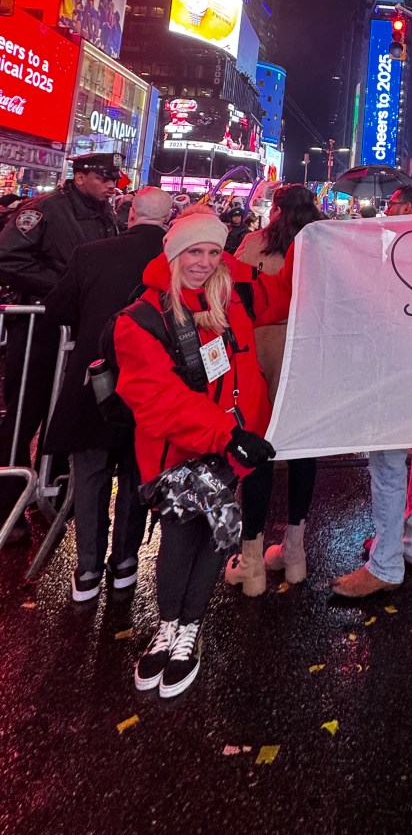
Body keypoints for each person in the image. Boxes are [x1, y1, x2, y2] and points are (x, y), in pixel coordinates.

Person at [114, 209, 292, 697]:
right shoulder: (142, 318)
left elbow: (286, 292)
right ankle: (169, 626)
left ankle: (187, 628)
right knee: (180, 536)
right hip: (181, 453)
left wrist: (310, 236)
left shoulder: (232, 298)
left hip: (231, 447)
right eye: (195, 251)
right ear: (173, 253)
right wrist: (227, 435)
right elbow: (156, 400)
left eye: (214, 252)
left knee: (217, 533)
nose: (205, 261)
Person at [42, 188, 173, 601]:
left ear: (130, 212)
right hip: (151, 385)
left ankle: (86, 572)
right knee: (139, 471)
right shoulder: (176, 260)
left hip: (93, 382)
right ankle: (126, 564)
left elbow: (58, 309)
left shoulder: (90, 253)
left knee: (92, 474)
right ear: (169, 218)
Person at [0, 152, 120, 542]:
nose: (110, 184)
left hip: (79, 330)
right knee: (25, 413)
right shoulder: (45, 210)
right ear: (80, 176)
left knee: (66, 408)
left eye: (113, 178)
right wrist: (61, 286)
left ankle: (52, 489)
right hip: (40, 327)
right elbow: (8, 257)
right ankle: (8, 503)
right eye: (103, 177)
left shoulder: (106, 214)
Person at [333, 182, 412, 599]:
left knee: (389, 459)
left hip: (400, 363)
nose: (386, 209)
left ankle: (385, 564)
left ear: (408, 207)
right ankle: (408, 542)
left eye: (393, 203)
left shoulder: (401, 246)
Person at [225, 184, 322, 593]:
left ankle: (252, 563)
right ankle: (295, 552)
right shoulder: (325, 242)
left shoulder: (252, 244)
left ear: (277, 209)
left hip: (260, 351)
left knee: (258, 448)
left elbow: (233, 295)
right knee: (302, 448)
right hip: (310, 350)